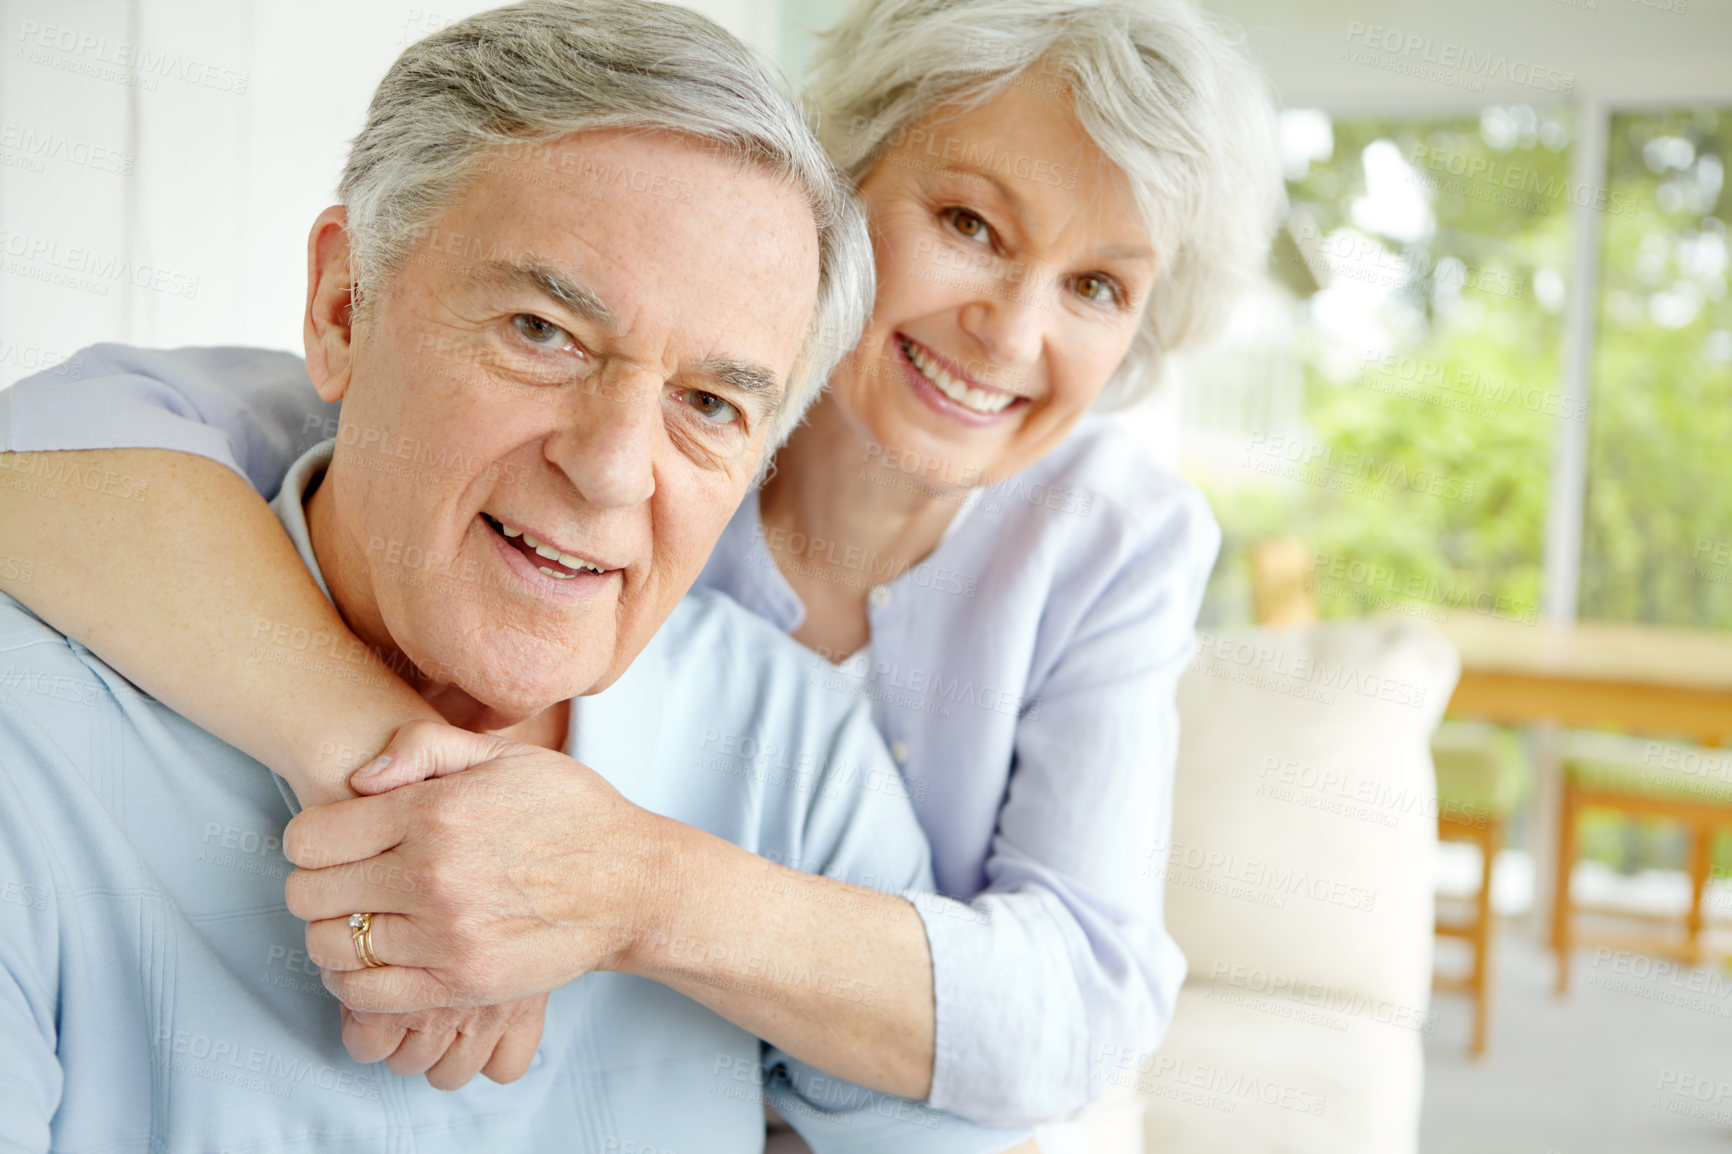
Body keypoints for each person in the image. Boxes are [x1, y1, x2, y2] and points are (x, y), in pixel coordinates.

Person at [0, 0, 1282, 1144]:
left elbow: (1072, 1008)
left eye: (718, 402)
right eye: (542, 332)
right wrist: (412, 783)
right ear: (344, 309)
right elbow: (44, 449)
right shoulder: (170, 552)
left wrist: (621, 883)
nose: (1010, 328)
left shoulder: (1025, 592)